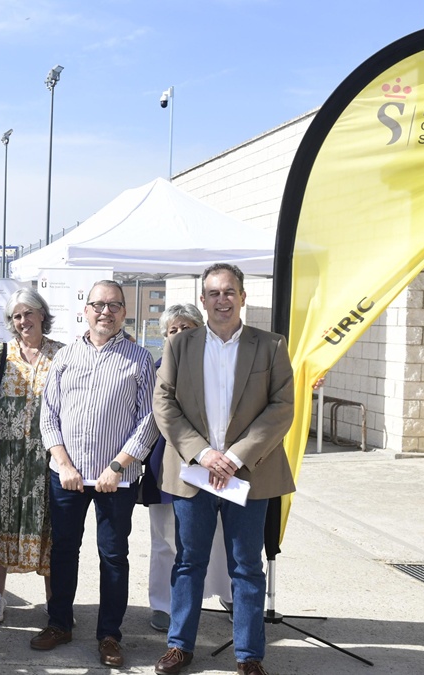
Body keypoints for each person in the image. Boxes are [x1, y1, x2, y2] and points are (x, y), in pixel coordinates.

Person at [152, 263, 295, 675]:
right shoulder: (180, 346)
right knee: (189, 562)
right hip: (195, 473)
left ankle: (249, 656)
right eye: (213, 293)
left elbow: (281, 407)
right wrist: (201, 452)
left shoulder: (270, 346)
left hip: (249, 473)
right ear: (203, 300)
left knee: (246, 566)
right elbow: (165, 403)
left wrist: (234, 456)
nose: (222, 300)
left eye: (229, 292)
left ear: (243, 297)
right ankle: (180, 646)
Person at [32, 279, 158, 669]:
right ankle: (60, 623)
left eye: (115, 305)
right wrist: (64, 463)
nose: (106, 311)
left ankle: (109, 635)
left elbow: (149, 420)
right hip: (67, 477)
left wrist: (118, 465)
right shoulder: (65, 357)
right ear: (85, 311)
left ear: (124, 312)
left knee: (113, 556)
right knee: (64, 551)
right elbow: (48, 414)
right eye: (99, 304)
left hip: (115, 479)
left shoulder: (140, 360)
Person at [0, 288, 62, 623]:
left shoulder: (62, 356)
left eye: (29, 313)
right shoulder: (0, 356)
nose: (23, 321)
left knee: (50, 526)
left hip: (46, 456)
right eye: (17, 316)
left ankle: (55, 603)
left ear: (42, 315)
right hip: (3, 454)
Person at [141, 304, 232, 634]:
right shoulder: (154, 369)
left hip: (212, 461)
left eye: (187, 327)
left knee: (220, 533)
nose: (179, 334)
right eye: (172, 330)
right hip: (166, 464)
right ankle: (163, 604)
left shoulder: (219, 365)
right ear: (165, 336)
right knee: (164, 539)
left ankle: (228, 593)